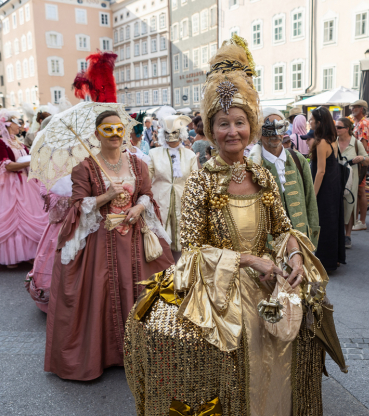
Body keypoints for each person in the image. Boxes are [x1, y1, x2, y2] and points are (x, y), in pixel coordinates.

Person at [124, 36, 344, 415]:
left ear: (251, 126)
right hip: (223, 284)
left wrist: (292, 255)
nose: (232, 132)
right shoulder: (202, 180)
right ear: (211, 129)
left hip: (270, 279)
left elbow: (285, 227)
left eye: (239, 122)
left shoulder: (261, 173)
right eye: (223, 123)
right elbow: (192, 250)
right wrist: (249, 261)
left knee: (309, 320)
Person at [45, 110, 174, 381]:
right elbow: (78, 206)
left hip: (136, 237)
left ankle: (140, 350)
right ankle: (105, 354)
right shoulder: (85, 167)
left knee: (138, 288)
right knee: (102, 292)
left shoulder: (138, 164)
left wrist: (139, 206)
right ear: (96, 134)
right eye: (108, 130)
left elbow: (147, 195)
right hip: (101, 242)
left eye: (119, 129)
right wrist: (106, 196)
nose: (115, 134)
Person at [0, 109, 49, 268]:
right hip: (10, 185)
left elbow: (31, 159)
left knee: (30, 215)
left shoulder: (19, 141)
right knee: (11, 218)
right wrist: (32, 161)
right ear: (8, 124)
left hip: (27, 184)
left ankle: (29, 253)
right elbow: (7, 165)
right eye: (17, 122)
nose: (20, 125)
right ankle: (11, 256)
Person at [249, 107, 320, 248]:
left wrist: (312, 235)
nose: (275, 134)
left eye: (280, 128)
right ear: (258, 132)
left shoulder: (297, 159)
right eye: (268, 129)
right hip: (270, 244)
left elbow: (310, 200)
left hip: (300, 237)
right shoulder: (253, 165)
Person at [25, 117, 71, 311]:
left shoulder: (80, 154)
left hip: (86, 220)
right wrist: (69, 200)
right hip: (61, 224)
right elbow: (45, 190)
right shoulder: (47, 157)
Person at [148, 114, 199, 261]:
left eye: (174, 132)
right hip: (159, 201)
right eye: (167, 133)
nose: (171, 136)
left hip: (183, 202)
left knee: (181, 240)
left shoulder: (189, 155)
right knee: (160, 240)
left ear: (181, 133)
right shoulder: (153, 154)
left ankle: (179, 274)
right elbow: (147, 179)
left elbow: (194, 181)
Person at [309, 106, 345, 271]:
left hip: (325, 188)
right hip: (334, 185)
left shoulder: (322, 142)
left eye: (312, 119)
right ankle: (335, 258)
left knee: (324, 223)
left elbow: (320, 171)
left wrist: (313, 195)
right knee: (333, 221)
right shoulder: (332, 140)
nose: (310, 122)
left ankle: (326, 261)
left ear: (319, 122)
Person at [337, 117, 369, 249]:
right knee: (336, 206)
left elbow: (367, 160)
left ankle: (347, 235)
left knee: (349, 205)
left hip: (351, 180)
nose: (336, 129)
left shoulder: (356, 143)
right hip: (336, 178)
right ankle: (338, 235)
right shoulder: (333, 142)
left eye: (339, 127)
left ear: (347, 129)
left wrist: (361, 158)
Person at [350, 99, 369, 233]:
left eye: (355, 107)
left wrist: (360, 159)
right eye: (352, 107)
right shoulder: (359, 123)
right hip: (360, 160)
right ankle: (358, 220)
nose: (352, 109)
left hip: (361, 161)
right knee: (358, 190)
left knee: (360, 191)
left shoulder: (363, 123)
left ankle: (362, 221)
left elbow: (363, 146)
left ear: (362, 109)